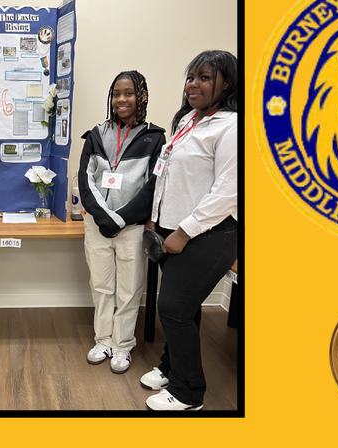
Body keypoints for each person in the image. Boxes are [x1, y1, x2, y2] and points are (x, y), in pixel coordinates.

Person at [143, 50, 238, 411]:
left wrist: (183, 233)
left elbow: (228, 191)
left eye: (204, 77)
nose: (192, 84)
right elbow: (167, 175)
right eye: (190, 77)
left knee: (173, 309)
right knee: (185, 306)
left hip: (209, 233)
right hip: (172, 227)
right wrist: (155, 218)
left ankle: (188, 393)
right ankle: (171, 367)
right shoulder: (189, 121)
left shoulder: (231, 126)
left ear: (226, 83)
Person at [78, 70, 166, 373]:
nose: (121, 100)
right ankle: (102, 339)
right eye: (116, 93)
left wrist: (120, 219)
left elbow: (152, 187)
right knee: (101, 286)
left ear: (141, 97)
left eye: (128, 93)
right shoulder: (96, 134)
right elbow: (85, 179)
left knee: (129, 289)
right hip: (98, 226)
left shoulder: (155, 137)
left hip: (131, 227)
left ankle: (123, 345)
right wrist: (104, 218)